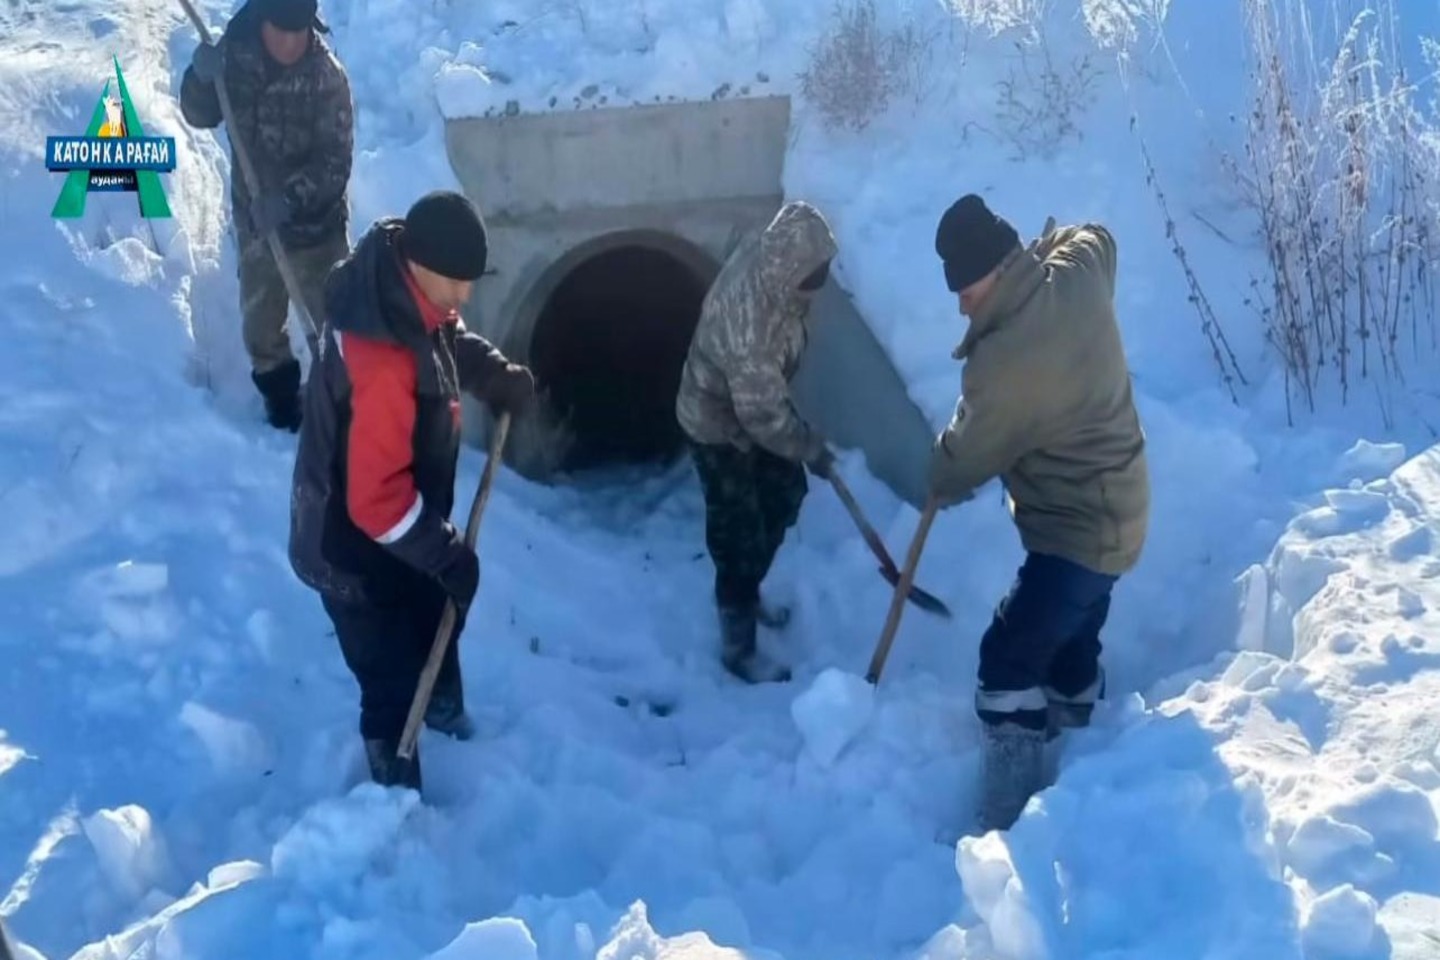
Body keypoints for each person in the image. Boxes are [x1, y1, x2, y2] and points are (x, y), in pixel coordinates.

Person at [287, 190, 535, 791]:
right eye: (456, 283)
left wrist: (490, 374)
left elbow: (446, 341)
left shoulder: (405, 294)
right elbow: (374, 501)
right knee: (391, 673)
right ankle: (394, 790)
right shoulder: (379, 355)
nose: (465, 297)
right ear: (419, 264)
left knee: (434, 614)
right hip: (348, 546)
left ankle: (446, 716)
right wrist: (446, 553)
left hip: (400, 526)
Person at [927, 194, 1150, 832]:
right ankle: (1084, 766)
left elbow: (961, 464)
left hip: (1076, 534)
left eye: (966, 290)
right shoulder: (1077, 271)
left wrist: (939, 461)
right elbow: (1099, 235)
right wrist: (1047, 253)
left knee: (1007, 661)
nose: (961, 305)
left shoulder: (1002, 365)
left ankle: (1007, 818)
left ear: (996, 272)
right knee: (1070, 645)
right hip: (1123, 507)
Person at [675, 200, 839, 684]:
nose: (819, 287)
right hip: (715, 425)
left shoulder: (772, 260)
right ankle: (738, 644)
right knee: (737, 532)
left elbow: (765, 404)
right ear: (788, 274)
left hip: (752, 407)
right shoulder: (749, 325)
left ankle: (748, 588)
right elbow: (762, 415)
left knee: (785, 493)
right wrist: (810, 447)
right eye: (813, 277)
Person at [179, 0, 354, 432]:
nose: (292, 43)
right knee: (261, 328)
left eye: (301, 33)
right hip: (257, 224)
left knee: (339, 327)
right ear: (262, 24)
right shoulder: (236, 57)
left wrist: (291, 200)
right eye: (281, 31)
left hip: (317, 229)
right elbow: (199, 115)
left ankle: (346, 412)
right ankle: (282, 407)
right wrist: (200, 80)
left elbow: (335, 162)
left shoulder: (326, 77)